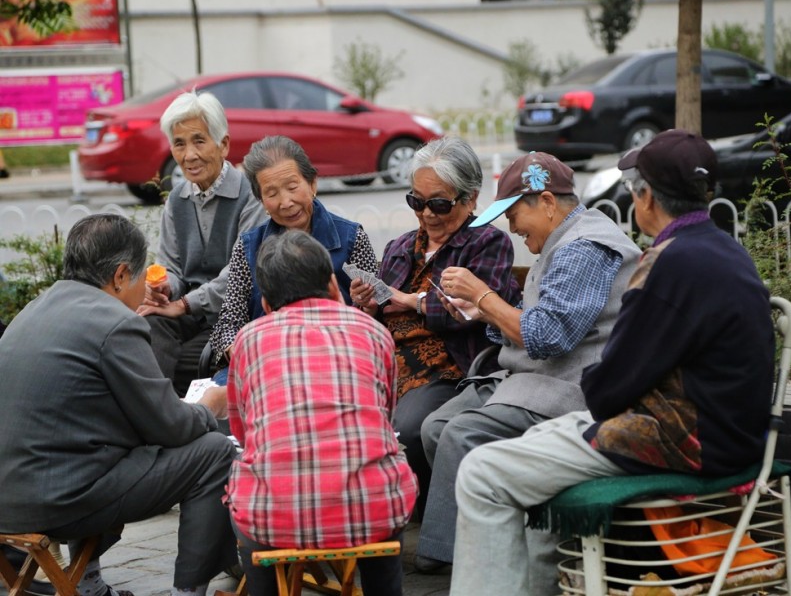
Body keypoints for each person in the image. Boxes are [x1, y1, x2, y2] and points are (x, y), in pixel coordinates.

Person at [449, 130, 776, 595]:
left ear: (645, 198)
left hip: (683, 441)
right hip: (734, 436)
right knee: (535, 442)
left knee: (482, 472)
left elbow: (607, 390)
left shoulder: (666, 265)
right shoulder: (729, 252)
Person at [413, 150, 642, 578]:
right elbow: (527, 324)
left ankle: (451, 559)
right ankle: (480, 544)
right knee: (436, 426)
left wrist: (484, 298)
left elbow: (547, 336)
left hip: (570, 386)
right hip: (530, 377)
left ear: (548, 202)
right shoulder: (563, 241)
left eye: (515, 214)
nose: (512, 227)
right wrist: (481, 313)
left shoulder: (586, 248)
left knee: (463, 432)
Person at [0, 214, 238, 596]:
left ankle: (89, 584)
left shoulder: (34, 310)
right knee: (213, 452)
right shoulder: (114, 321)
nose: (145, 286)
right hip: (58, 500)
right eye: (143, 276)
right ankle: (189, 590)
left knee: (119, 446)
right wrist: (208, 406)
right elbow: (170, 427)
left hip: (9, 496)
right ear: (121, 275)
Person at [224, 230, 417, 596]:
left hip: (273, 518)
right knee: (383, 502)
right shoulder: (375, 332)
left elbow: (244, 430)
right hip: (374, 510)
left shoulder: (248, 339)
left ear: (265, 303)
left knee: (249, 517)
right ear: (333, 285)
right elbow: (384, 415)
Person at [349, 136, 520, 517]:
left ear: (470, 199)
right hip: (387, 366)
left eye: (439, 203)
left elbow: (471, 312)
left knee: (407, 427)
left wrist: (408, 300)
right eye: (416, 201)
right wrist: (368, 302)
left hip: (448, 369)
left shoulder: (487, 244)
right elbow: (377, 313)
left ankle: (418, 509)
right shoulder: (400, 246)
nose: (427, 213)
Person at [208, 135, 378, 375]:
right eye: (272, 193)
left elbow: (378, 314)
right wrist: (239, 350)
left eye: (292, 186)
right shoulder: (248, 247)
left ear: (312, 183)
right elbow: (228, 323)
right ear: (261, 200)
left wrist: (366, 307)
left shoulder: (351, 239)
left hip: (337, 362)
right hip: (262, 364)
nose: (286, 202)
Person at [136, 90, 266, 396]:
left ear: (223, 145)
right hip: (188, 312)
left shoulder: (250, 194)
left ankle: (170, 416)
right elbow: (170, 266)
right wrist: (163, 287)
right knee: (146, 323)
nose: (189, 155)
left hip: (235, 312)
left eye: (199, 140)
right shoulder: (178, 200)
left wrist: (184, 305)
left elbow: (241, 274)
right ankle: (154, 413)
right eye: (179, 144)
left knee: (191, 358)